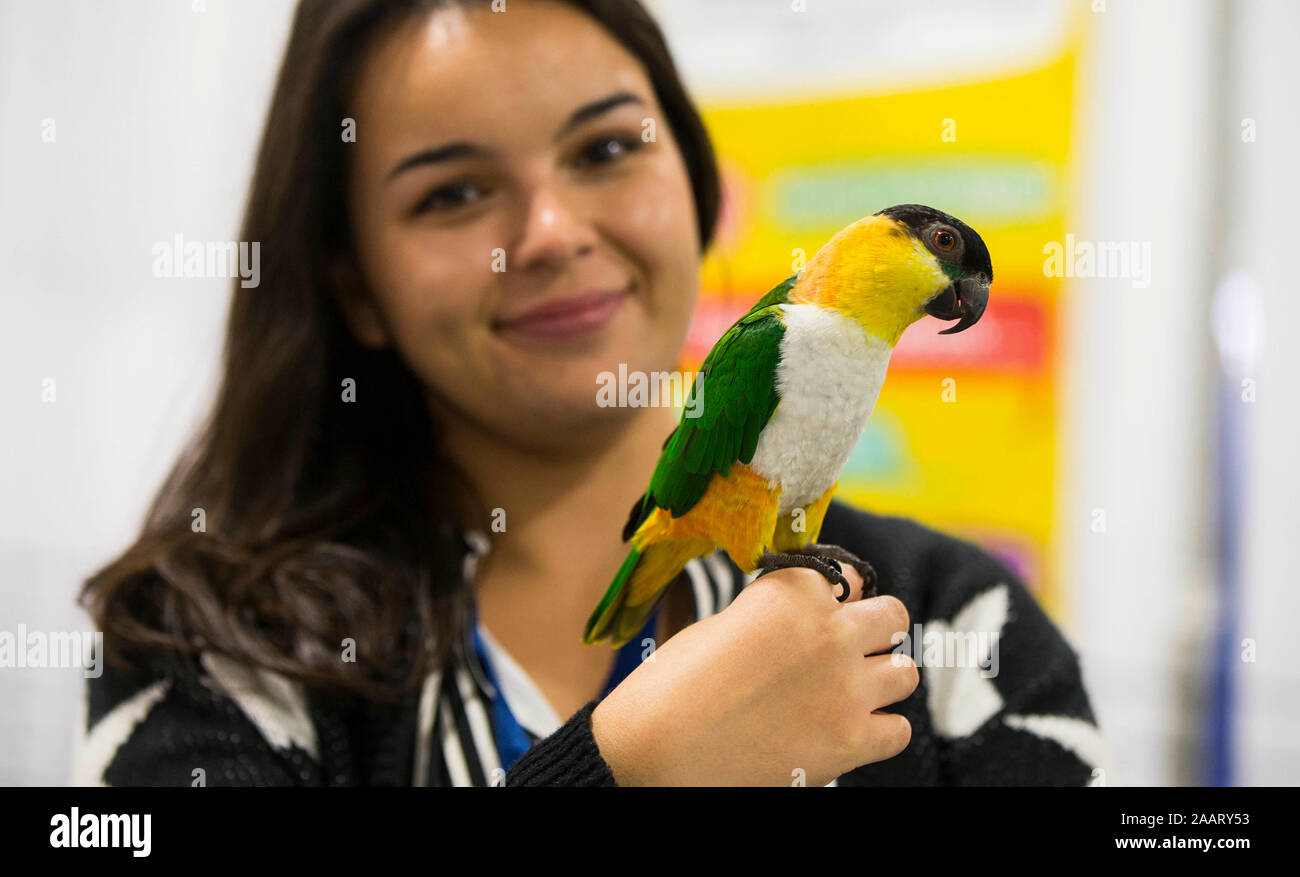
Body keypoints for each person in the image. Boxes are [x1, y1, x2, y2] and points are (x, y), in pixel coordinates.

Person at [76, 0, 1102, 787]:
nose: (553, 231)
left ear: (699, 192)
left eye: (607, 149)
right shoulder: (207, 651)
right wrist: (624, 769)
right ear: (356, 282)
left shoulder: (965, 626)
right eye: (454, 192)